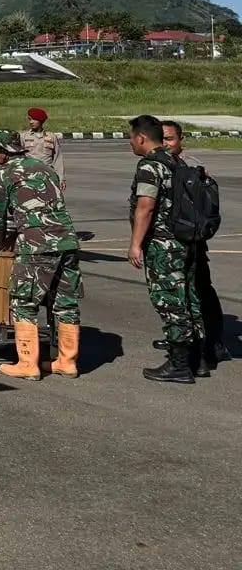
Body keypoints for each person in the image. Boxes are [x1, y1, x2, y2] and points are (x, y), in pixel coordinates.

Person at [0, 129, 81, 380]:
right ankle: (66, 361)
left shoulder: (3, 174)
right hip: (67, 239)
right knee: (65, 302)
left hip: (37, 243)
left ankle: (27, 363)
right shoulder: (44, 168)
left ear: (2, 152)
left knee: (24, 301)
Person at [127, 114, 203, 384]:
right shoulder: (175, 160)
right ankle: (198, 359)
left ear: (141, 137)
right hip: (185, 241)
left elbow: (145, 206)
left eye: (131, 139)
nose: (131, 144)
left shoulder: (150, 166)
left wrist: (136, 244)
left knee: (169, 301)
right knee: (188, 299)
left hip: (163, 244)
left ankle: (179, 365)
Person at [161, 120, 228, 373]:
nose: (166, 144)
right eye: (162, 139)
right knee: (182, 294)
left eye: (170, 139)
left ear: (180, 140)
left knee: (201, 290)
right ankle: (187, 339)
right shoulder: (165, 165)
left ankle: (213, 344)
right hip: (173, 242)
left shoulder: (190, 165)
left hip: (192, 241)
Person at [20, 107, 65, 189]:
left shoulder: (51, 137)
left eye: (34, 120)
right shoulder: (24, 137)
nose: (31, 122)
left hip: (47, 176)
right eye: (30, 119)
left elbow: (57, 158)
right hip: (29, 176)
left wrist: (61, 178)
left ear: (41, 121)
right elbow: (19, 158)